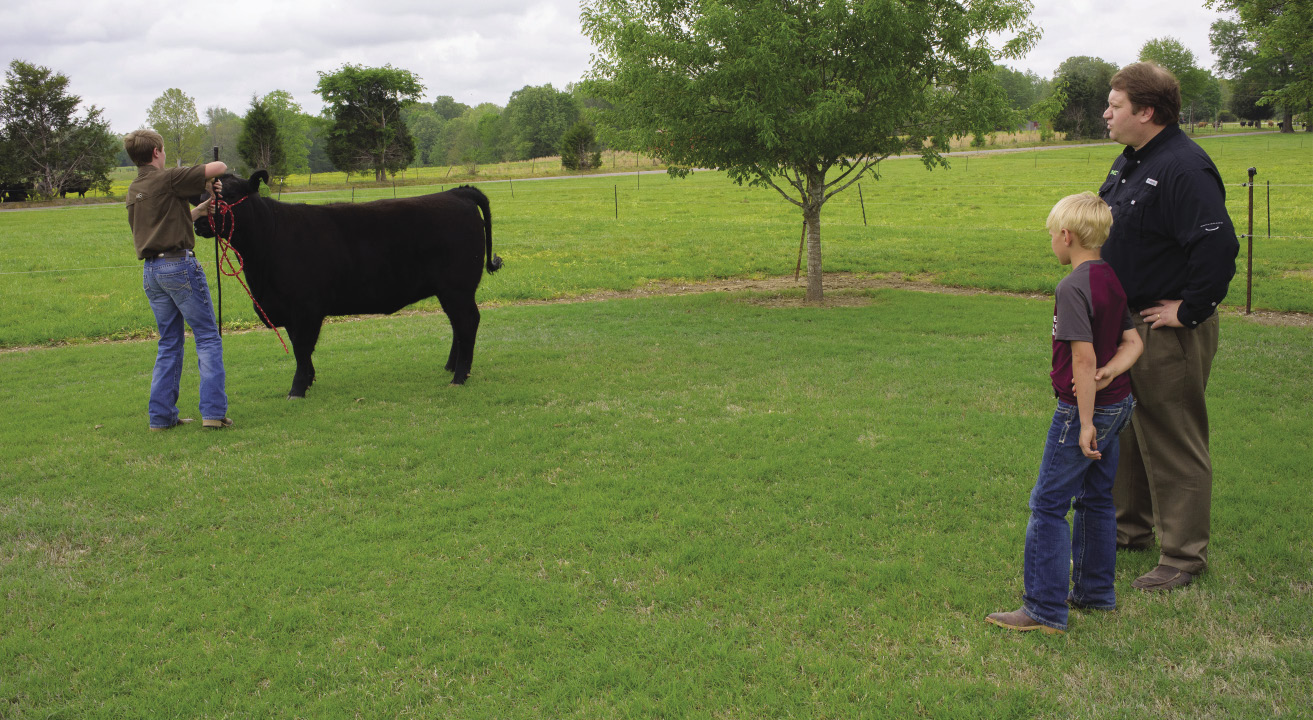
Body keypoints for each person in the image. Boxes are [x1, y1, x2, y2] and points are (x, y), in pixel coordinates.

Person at [1098, 62, 1238, 591]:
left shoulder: (1184, 166)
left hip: (1165, 328)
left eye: (1115, 105)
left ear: (1146, 112)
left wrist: (1189, 309)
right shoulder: (1132, 160)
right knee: (1130, 431)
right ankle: (1129, 530)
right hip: (1126, 323)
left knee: (1173, 435)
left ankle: (1182, 556)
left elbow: (1218, 244)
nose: (1106, 113)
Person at [987, 193, 1143, 634]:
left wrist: (1087, 421)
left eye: (1052, 235)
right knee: (1096, 498)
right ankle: (1095, 592)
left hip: (1084, 412)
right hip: (1120, 404)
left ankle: (1042, 609)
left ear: (1067, 236)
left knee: (1048, 505)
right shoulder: (1109, 277)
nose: (1051, 242)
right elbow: (1133, 344)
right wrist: (1112, 375)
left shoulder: (1072, 287)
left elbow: (1083, 361)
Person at [123, 130, 234, 431]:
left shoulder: (135, 188)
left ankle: (161, 418)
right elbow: (219, 167)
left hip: (152, 272)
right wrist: (209, 180)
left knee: (169, 343)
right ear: (157, 151)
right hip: (179, 266)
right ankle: (213, 414)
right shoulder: (168, 178)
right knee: (208, 337)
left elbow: (163, 221)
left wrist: (197, 211)